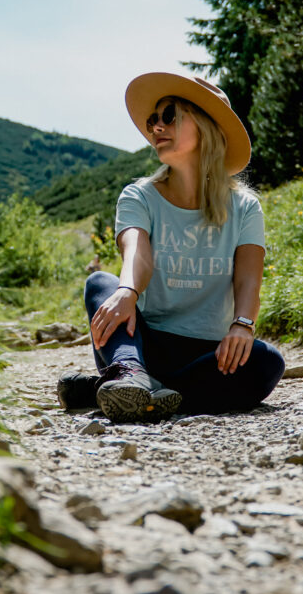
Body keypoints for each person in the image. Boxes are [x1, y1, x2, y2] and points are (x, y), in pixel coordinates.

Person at [57, 71, 285, 422]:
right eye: (152, 120)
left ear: (207, 127)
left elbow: (248, 280)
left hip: (209, 354)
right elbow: (137, 253)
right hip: (139, 343)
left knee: (267, 362)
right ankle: (129, 374)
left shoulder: (245, 207)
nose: (156, 127)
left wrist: (242, 325)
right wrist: (127, 291)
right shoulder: (139, 196)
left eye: (169, 116)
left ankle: (132, 392)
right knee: (101, 283)